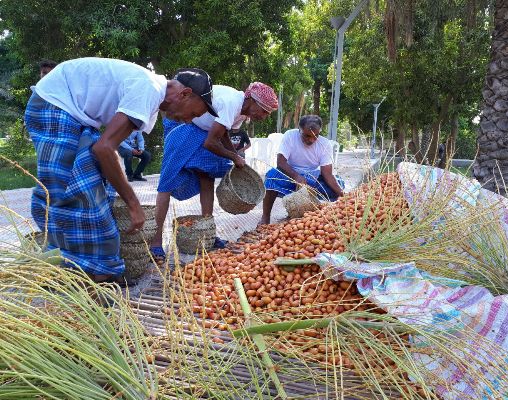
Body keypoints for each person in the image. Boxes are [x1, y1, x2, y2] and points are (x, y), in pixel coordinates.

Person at [25, 57, 216, 283]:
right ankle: (78, 267)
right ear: (184, 94)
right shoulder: (149, 90)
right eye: (193, 114)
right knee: (77, 193)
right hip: (53, 106)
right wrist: (133, 203)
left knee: (96, 190)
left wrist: (121, 186)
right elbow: (104, 148)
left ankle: (95, 267)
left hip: (70, 113)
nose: (188, 121)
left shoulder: (150, 91)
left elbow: (107, 148)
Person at [150, 82, 278, 261]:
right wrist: (234, 158)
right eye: (264, 111)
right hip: (183, 124)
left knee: (207, 176)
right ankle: (156, 241)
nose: (264, 117)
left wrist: (235, 156)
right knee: (167, 182)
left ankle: (208, 234)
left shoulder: (241, 113)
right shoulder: (231, 103)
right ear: (252, 101)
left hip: (203, 130)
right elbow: (210, 143)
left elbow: (223, 133)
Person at [259, 115, 345, 225]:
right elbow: (281, 162)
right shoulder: (290, 135)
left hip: (312, 177)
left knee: (338, 184)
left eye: (316, 135)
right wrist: (296, 176)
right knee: (271, 176)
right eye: (307, 136)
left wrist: (343, 195)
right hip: (290, 173)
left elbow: (327, 174)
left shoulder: (325, 144)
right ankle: (265, 217)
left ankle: (332, 217)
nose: (311, 140)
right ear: (299, 129)